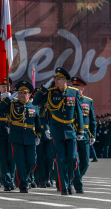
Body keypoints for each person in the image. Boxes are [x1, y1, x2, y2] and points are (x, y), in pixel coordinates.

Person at [32, 67, 84, 195]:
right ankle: (64, 186)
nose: (56, 80)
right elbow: (35, 101)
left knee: (72, 159)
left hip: (70, 131)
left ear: (65, 80)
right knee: (60, 159)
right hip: (56, 131)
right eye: (55, 78)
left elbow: (79, 112)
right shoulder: (50, 92)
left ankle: (69, 181)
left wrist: (80, 130)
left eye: (59, 79)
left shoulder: (73, 92)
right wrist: (44, 88)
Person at [0, 81, 41, 193]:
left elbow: (38, 123)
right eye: (20, 92)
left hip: (30, 137)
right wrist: (8, 98)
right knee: (20, 162)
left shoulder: (34, 106)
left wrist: (39, 135)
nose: (22, 95)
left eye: (25, 93)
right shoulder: (12, 104)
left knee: (32, 162)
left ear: (29, 95)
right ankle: (23, 184)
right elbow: (0, 109)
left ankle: (23, 178)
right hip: (16, 137)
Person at [71, 77, 96, 193]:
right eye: (73, 87)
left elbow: (92, 120)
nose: (75, 90)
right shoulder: (69, 99)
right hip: (72, 134)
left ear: (82, 89)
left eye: (77, 88)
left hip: (85, 135)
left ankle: (76, 178)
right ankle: (78, 185)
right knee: (75, 160)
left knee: (85, 162)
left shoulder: (88, 101)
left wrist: (93, 135)